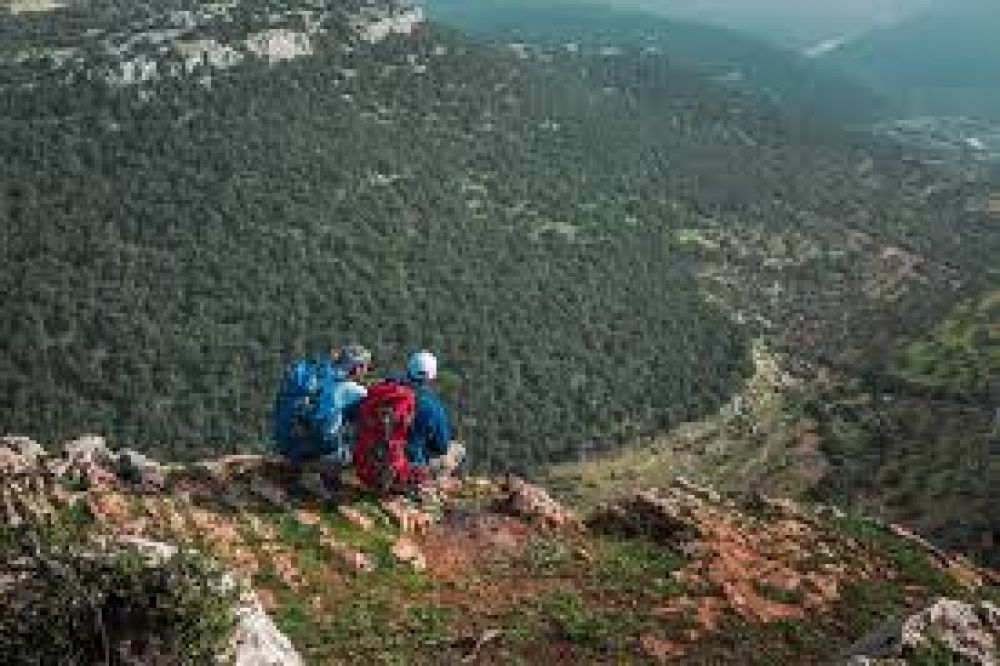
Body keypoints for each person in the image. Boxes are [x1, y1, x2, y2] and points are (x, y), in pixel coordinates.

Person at [400, 350, 465, 486]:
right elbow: (442, 447)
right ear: (431, 376)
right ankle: (430, 483)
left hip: (372, 463)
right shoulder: (430, 405)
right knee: (457, 449)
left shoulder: (386, 389)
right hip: (406, 469)